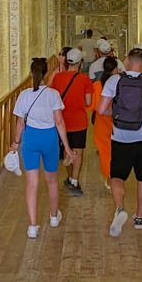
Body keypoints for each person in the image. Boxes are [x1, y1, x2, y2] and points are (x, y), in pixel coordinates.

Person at [96, 47, 142, 236]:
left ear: (127, 61)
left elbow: (101, 110)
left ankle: (120, 208)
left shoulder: (114, 80)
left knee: (117, 176)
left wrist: (118, 115)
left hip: (120, 137)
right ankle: (140, 218)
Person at [11, 57, 74, 238]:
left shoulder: (24, 95)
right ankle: (54, 216)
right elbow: (59, 121)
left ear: (31, 74)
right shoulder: (53, 95)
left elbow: (20, 123)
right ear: (47, 73)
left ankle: (32, 226)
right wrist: (67, 147)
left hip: (30, 139)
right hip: (49, 138)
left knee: (32, 184)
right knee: (52, 180)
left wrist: (15, 143)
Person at [50, 47, 92, 196]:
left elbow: (52, 98)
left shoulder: (57, 78)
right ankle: (74, 181)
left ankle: (69, 177)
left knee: (66, 151)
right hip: (79, 121)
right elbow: (88, 102)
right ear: (80, 63)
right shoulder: (84, 79)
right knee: (78, 152)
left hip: (62, 121)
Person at [90, 56, 118, 190]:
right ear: (115, 69)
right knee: (116, 151)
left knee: (105, 153)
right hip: (117, 123)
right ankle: (116, 177)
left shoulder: (97, 85)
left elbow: (93, 106)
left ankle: (109, 177)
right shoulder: (119, 84)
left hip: (101, 125)